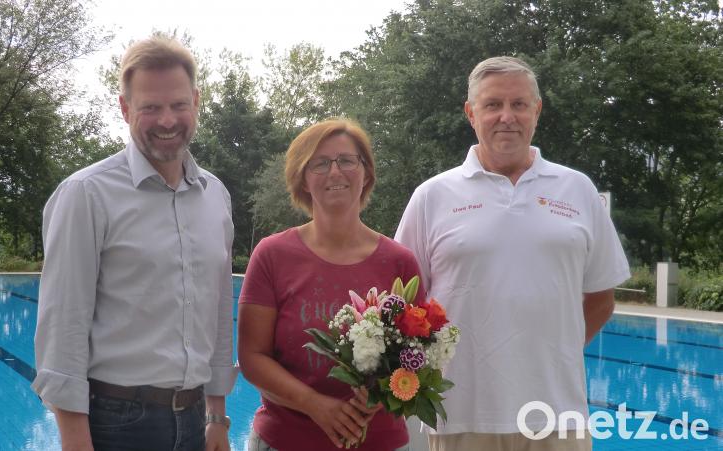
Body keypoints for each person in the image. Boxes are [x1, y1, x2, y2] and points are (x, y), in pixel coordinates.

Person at [395, 56, 630, 451]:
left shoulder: (578, 190)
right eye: (493, 105)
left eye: (519, 104)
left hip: (558, 416)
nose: (507, 116)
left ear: (536, 111)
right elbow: (403, 305)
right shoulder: (433, 196)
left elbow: (601, 299)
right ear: (471, 114)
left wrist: (549, 353)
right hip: (462, 416)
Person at [32, 36, 236, 451]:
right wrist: (75, 441)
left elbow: (218, 313)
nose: (167, 120)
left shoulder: (215, 196)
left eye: (178, 104)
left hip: (197, 417)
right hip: (117, 423)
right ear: (125, 109)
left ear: (196, 102)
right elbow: (64, 327)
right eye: (150, 107)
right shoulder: (86, 194)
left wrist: (217, 415)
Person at [238, 119, 423, 451]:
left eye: (347, 160)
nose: (335, 172)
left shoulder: (399, 262)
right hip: (285, 441)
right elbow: (252, 356)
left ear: (366, 173)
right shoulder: (272, 255)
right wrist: (315, 405)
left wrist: (375, 398)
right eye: (320, 163)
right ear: (304, 179)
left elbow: (418, 355)